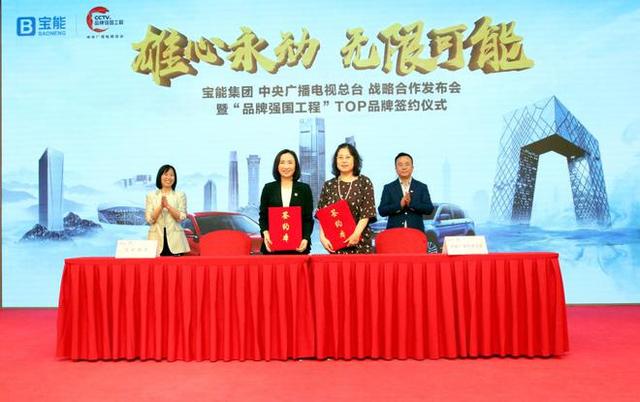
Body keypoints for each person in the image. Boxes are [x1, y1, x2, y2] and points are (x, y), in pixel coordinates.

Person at [317, 143, 377, 254]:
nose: (344, 161)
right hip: (336, 245)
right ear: (335, 161)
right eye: (340, 157)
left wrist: (356, 234)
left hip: (360, 243)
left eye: (348, 157)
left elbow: (367, 212)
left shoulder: (364, 182)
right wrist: (322, 237)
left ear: (355, 160)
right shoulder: (329, 185)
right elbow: (322, 213)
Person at [259, 149, 314, 254]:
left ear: (295, 166)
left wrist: (305, 238)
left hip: (298, 247)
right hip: (273, 246)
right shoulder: (268, 188)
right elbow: (263, 216)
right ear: (277, 165)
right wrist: (265, 234)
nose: (286, 166)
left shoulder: (304, 189)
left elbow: (308, 219)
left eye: (290, 162)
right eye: (282, 162)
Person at [378, 152, 434, 231]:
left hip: (416, 232)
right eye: (400, 165)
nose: (404, 167)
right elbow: (382, 211)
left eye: (407, 164)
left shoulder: (421, 187)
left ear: (412, 168)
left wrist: (411, 204)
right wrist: (399, 205)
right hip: (394, 232)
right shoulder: (388, 187)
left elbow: (429, 209)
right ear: (395, 168)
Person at [145, 164, 190, 256]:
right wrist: (161, 207)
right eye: (166, 174)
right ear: (160, 176)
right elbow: (150, 220)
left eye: (172, 175)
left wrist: (168, 207)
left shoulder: (180, 195)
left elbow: (181, 217)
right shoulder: (151, 196)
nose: (169, 177)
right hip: (155, 241)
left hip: (176, 242)